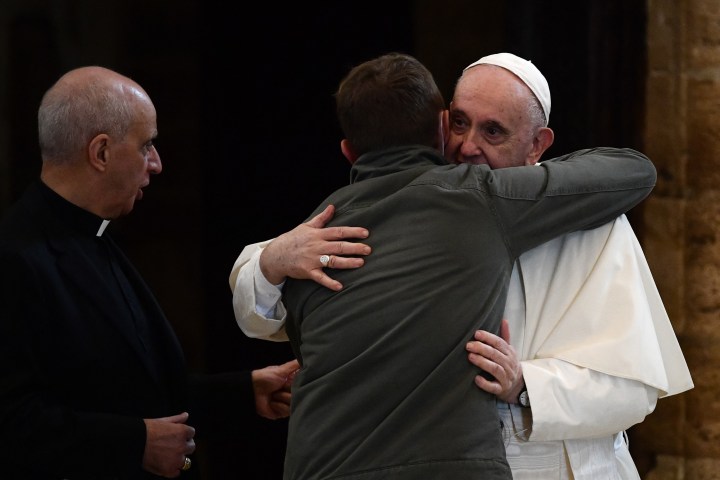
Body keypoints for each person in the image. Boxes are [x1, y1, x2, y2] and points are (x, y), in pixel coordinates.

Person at [229, 52, 692, 479]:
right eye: (461, 124)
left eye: (493, 132)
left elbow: (634, 390)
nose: (468, 146)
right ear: (440, 123)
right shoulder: (401, 200)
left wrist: (525, 384)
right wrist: (274, 258)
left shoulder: (597, 226)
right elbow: (262, 308)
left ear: (537, 145)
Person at [0, 66, 299, 480]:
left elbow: (131, 389)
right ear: (101, 153)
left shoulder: (96, 235)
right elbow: (11, 421)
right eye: (146, 146)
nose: (156, 164)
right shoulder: (14, 258)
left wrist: (243, 391)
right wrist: (134, 444)